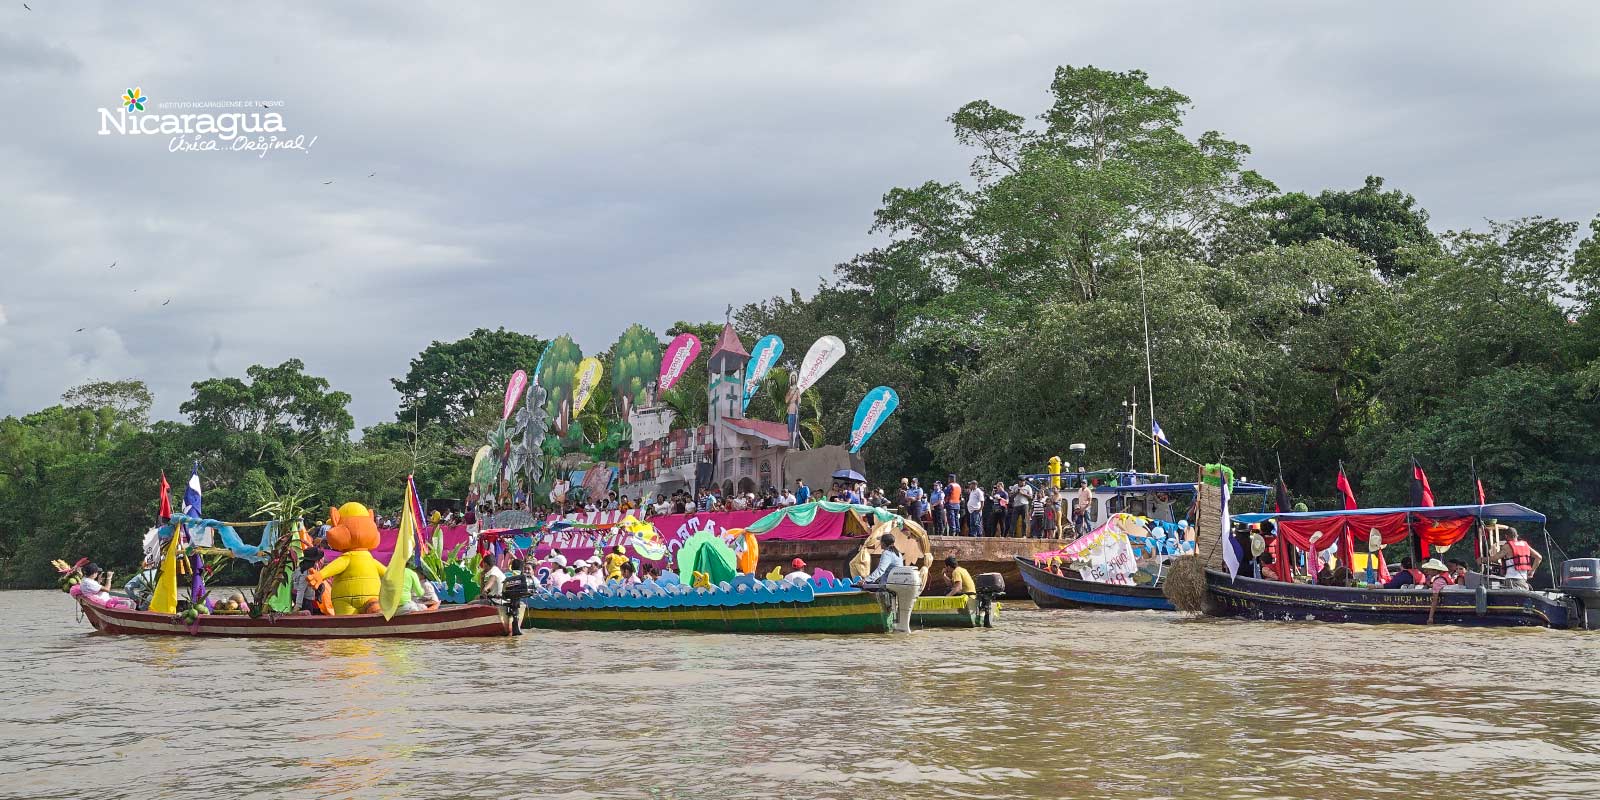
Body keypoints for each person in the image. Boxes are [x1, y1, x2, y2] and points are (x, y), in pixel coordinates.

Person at [294, 549, 334, 615]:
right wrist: (298, 605)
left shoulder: (301, 568)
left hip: (304, 597)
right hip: (304, 599)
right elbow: (301, 589)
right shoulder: (306, 572)